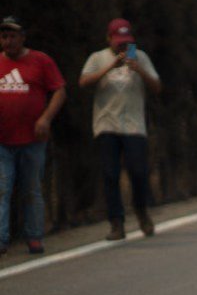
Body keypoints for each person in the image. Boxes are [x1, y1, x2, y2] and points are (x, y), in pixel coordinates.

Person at [79, 19, 162, 240]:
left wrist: (140, 70)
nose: (122, 47)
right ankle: (117, 223)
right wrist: (109, 68)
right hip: (107, 124)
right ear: (109, 39)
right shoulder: (98, 58)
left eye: (126, 42)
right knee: (110, 174)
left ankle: (141, 211)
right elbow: (83, 83)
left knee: (138, 172)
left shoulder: (140, 56)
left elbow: (157, 87)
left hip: (134, 125)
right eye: (118, 42)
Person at [0, 16, 66, 257]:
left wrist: (45, 118)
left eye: (13, 36)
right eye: (4, 36)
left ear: (22, 37)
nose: (8, 41)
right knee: (2, 188)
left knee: (31, 189)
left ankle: (35, 237)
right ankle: (1, 239)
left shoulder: (40, 60)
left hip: (32, 139)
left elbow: (59, 90)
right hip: (3, 140)